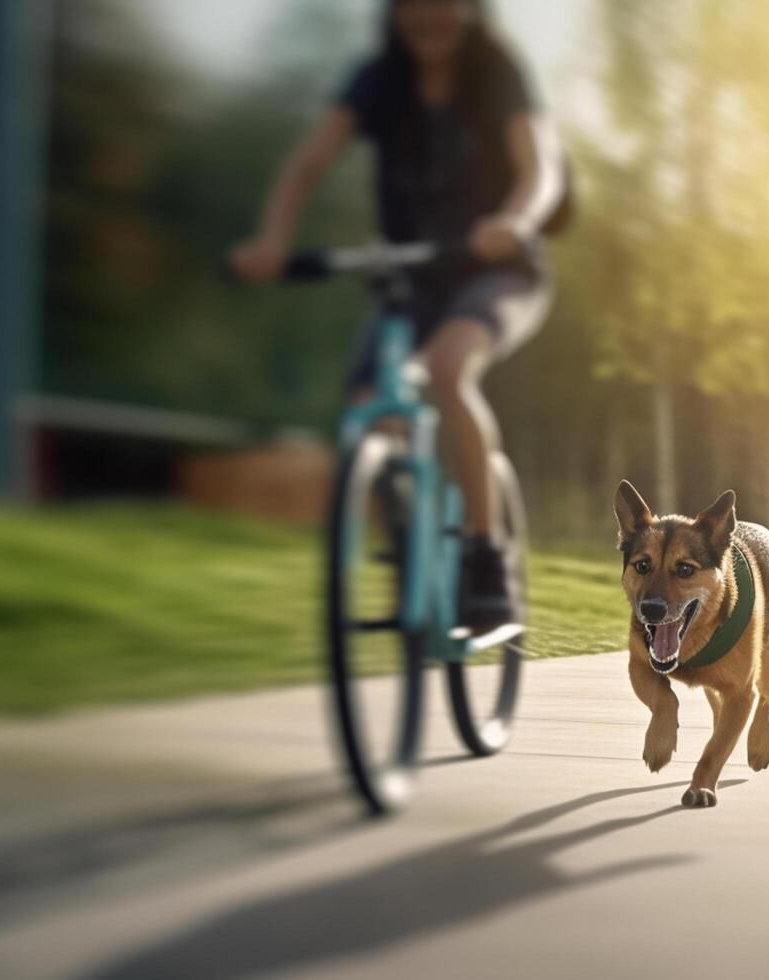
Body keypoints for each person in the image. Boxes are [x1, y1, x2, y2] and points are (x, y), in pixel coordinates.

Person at [231, 0, 563, 629]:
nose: (427, 15)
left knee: (445, 370)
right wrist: (273, 239)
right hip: (414, 279)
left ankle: (486, 559)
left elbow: (540, 168)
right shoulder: (379, 78)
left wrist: (514, 221)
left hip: (498, 271)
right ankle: (410, 553)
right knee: (368, 406)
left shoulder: (494, 69)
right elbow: (307, 163)